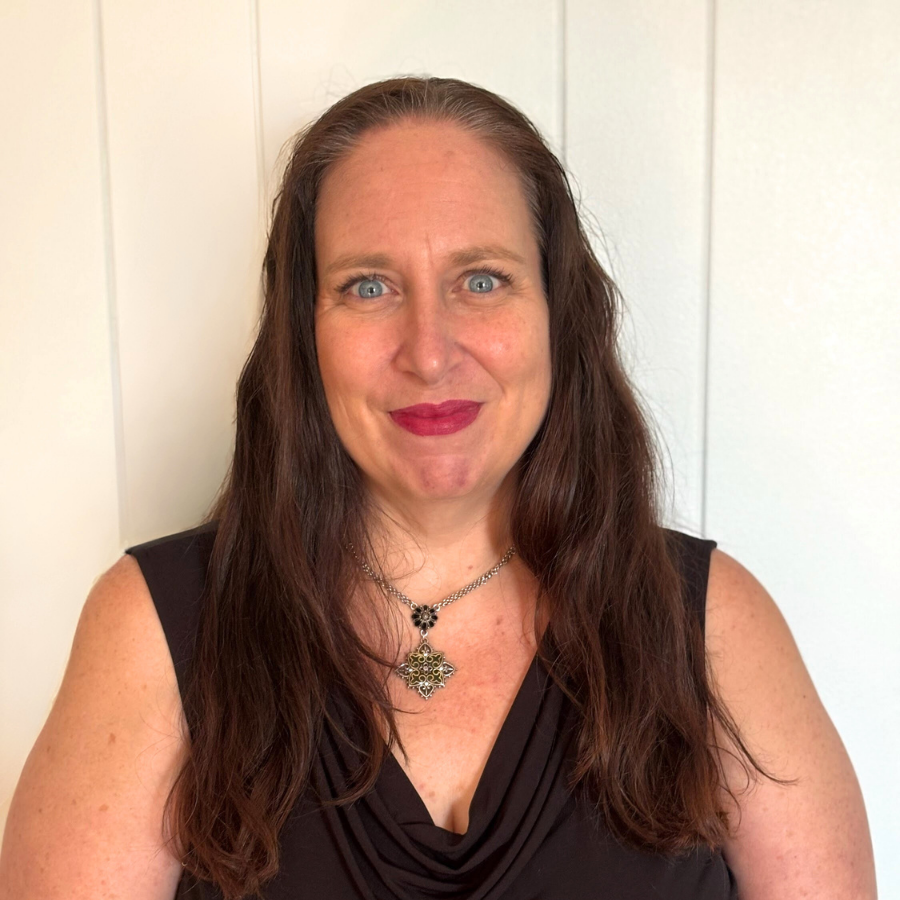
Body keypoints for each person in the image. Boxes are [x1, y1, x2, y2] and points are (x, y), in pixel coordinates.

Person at [0, 76, 876, 900]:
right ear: (303, 333)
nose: (428, 348)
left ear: (558, 316)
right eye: (368, 286)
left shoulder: (714, 623)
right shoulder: (153, 629)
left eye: (482, 280)